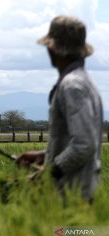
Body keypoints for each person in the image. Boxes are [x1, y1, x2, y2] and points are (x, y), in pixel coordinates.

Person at [16, 16, 103, 202]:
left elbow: (83, 145)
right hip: (78, 192)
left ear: (54, 49)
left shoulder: (72, 86)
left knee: (65, 233)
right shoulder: (83, 82)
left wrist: (49, 173)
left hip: (72, 195)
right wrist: (44, 155)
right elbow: (78, 140)